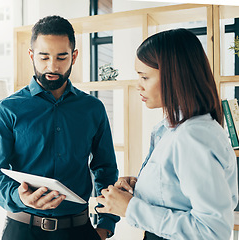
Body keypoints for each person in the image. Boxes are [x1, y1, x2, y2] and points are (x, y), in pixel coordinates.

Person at [0, 15, 119, 240]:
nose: (52, 66)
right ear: (31, 55)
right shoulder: (7, 109)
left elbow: (105, 168)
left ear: (74, 56)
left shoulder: (93, 109)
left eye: (61, 57)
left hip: (79, 231)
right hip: (22, 230)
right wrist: (18, 196)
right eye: (44, 57)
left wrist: (105, 224)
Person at [96, 28, 238, 240]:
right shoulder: (172, 129)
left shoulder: (192, 137)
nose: (138, 86)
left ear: (175, 77)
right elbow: (179, 197)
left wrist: (131, 208)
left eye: (144, 77)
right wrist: (142, 188)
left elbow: (212, 231)